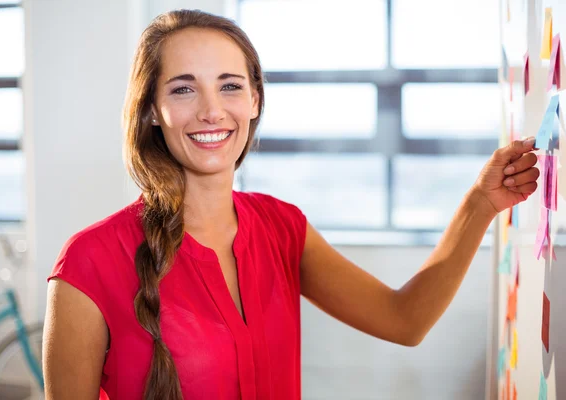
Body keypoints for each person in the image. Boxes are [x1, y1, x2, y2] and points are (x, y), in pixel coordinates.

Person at [41, 9, 539, 400]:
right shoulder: (89, 263)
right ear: (153, 109)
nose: (212, 110)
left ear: (255, 99)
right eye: (184, 89)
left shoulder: (282, 227)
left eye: (230, 85)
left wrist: (480, 204)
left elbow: (405, 319)